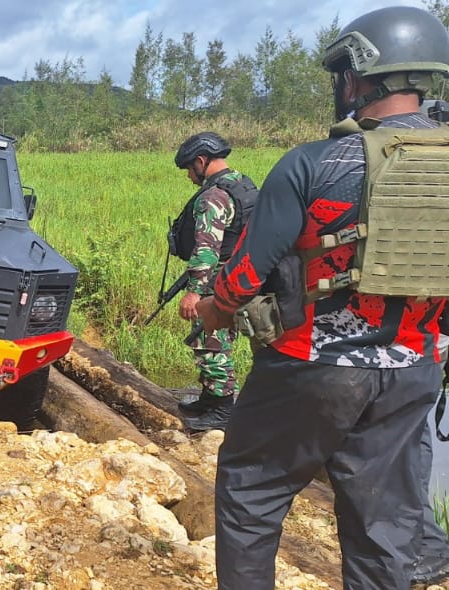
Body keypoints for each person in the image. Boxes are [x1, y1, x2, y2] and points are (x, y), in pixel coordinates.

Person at [195, 6, 449, 588]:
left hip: (309, 369)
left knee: (251, 494)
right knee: (384, 527)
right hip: (414, 369)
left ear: (358, 77)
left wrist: (213, 309)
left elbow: (245, 276)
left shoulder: (316, 163)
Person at [168, 132, 258, 431]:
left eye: (188, 170)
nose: (189, 177)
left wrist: (193, 293)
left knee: (211, 341)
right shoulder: (242, 184)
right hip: (238, 273)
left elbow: (206, 250)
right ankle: (210, 398)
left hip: (217, 280)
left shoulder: (214, 197)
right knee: (214, 338)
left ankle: (222, 409)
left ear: (201, 161)